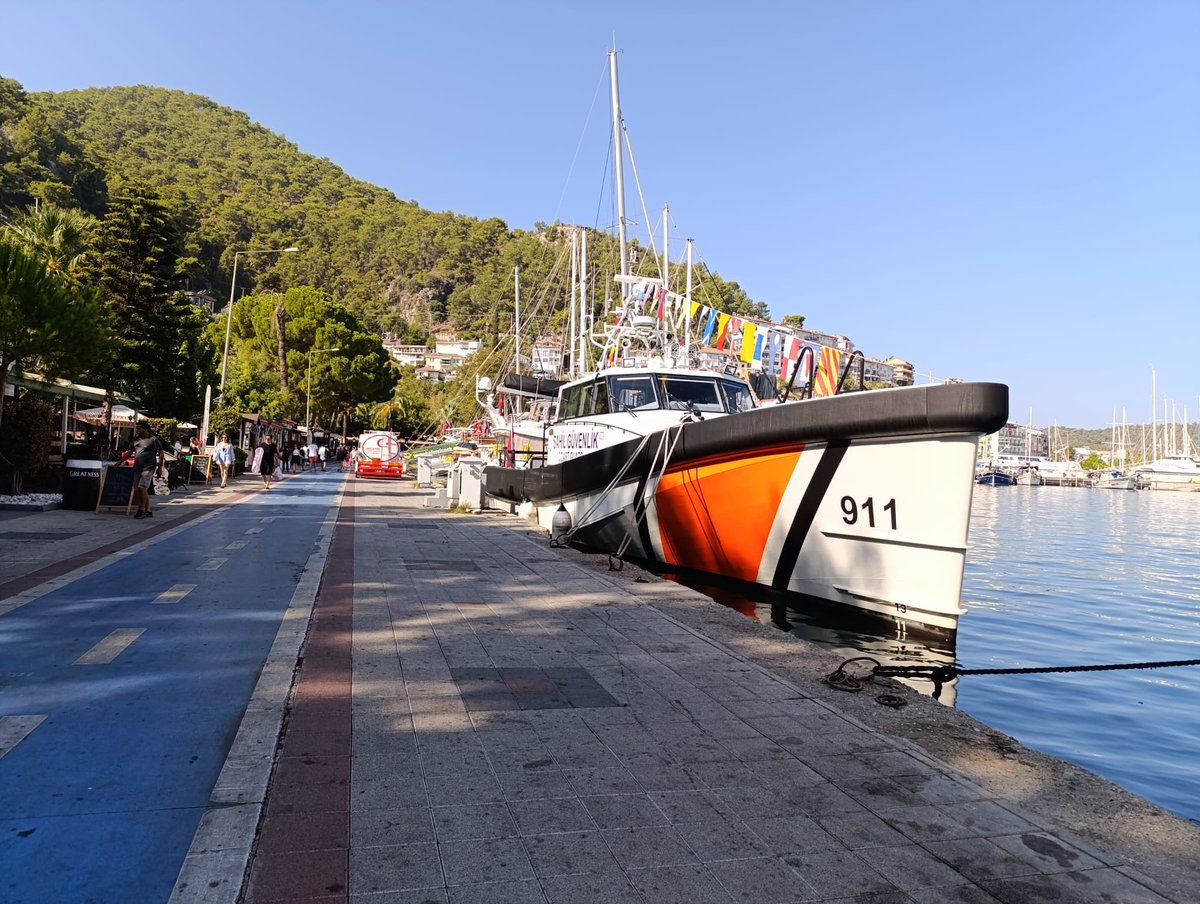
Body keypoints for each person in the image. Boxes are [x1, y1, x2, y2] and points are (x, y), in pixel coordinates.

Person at [131, 422, 165, 519]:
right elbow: (130, 451)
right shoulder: (136, 439)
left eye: (139, 428)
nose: (137, 430)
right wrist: (120, 461)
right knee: (138, 489)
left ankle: (141, 509)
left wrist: (160, 468)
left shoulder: (153, 439)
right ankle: (148, 510)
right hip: (137, 467)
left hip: (149, 467)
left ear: (145, 429)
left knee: (142, 486)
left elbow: (161, 453)